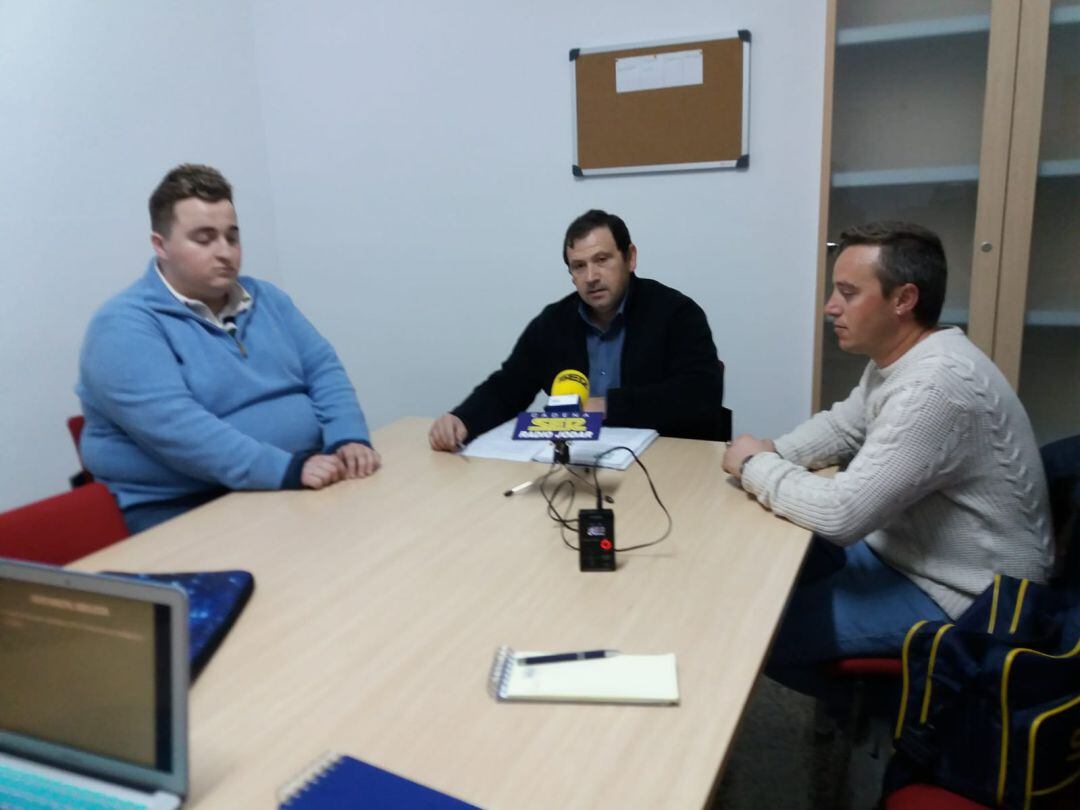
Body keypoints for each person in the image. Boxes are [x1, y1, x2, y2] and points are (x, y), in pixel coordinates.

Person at [721, 221, 1054, 698]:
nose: (830, 307)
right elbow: (843, 426)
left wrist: (756, 467)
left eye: (848, 293)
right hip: (906, 552)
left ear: (903, 300)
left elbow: (842, 515)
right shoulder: (901, 358)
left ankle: (888, 713)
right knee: (761, 566)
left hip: (969, 599)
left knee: (756, 631)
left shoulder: (937, 385)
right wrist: (774, 453)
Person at [77, 164, 379, 533]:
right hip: (188, 511)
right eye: (204, 239)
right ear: (161, 245)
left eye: (232, 237)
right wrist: (287, 469)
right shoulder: (123, 327)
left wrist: (347, 436)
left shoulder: (266, 298)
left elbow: (323, 369)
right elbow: (181, 431)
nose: (225, 253)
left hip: (295, 484)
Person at [429, 209, 726, 450]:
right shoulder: (554, 322)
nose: (591, 276)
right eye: (579, 266)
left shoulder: (676, 313)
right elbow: (509, 386)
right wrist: (462, 418)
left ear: (630, 257)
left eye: (602, 260)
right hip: (579, 461)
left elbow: (700, 395)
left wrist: (606, 406)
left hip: (665, 460)